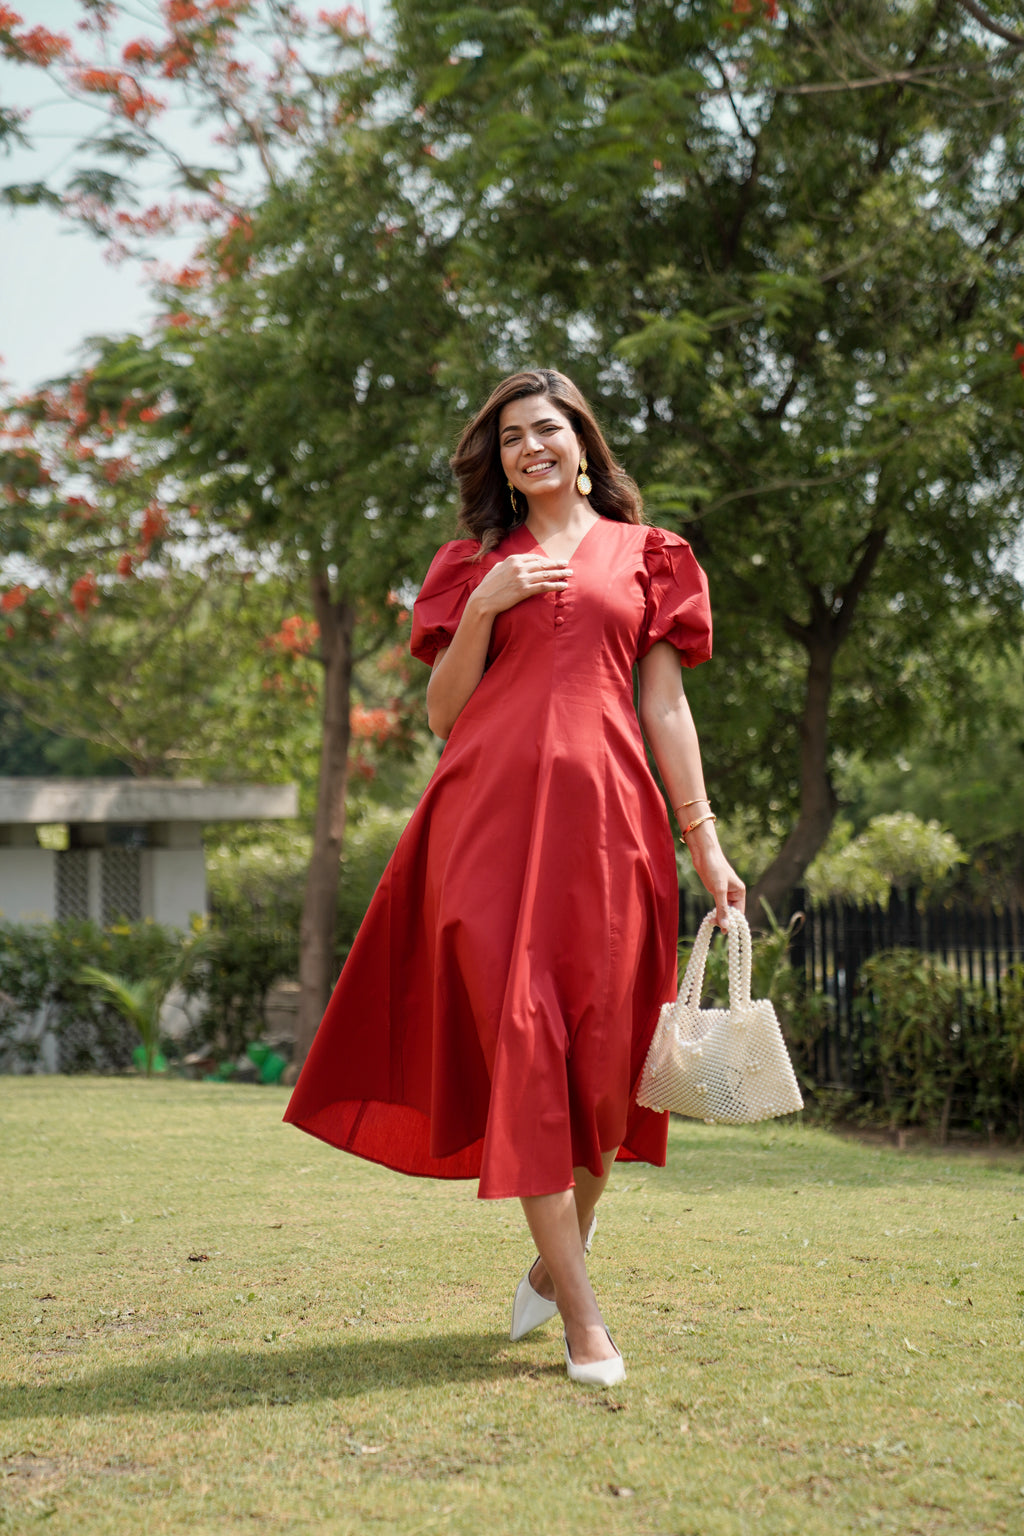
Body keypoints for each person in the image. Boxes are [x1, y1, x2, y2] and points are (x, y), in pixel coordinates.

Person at [284, 368, 745, 1386]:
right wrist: (486, 606)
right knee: (527, 1046)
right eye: (509, 438)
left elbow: (666, 707)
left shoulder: (651, 555)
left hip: (611, 831)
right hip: (484, 829)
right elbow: (444, 714)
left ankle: (553, 1258)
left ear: (582, 443)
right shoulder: (470, 565)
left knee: (608, 1077)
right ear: (497, 463)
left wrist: (704, 841)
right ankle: (586, 1322)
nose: (529, 447)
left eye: (546, 429)